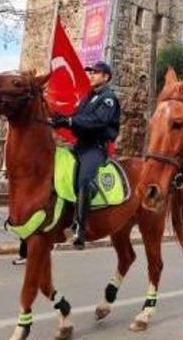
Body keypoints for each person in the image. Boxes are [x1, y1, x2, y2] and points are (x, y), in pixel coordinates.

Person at [49, 60, 120, 250]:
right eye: (91, 72)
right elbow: (78, 117)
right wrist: (60, 120)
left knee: (84, 180)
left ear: (106, 77)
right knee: (55, 168)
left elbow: (97, 121)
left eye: (95, 73)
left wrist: (70, 121)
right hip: (79, 145)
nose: (91, 75)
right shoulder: (88, 97)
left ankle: (80, 228)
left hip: (95, 148)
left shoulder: (108, 98)